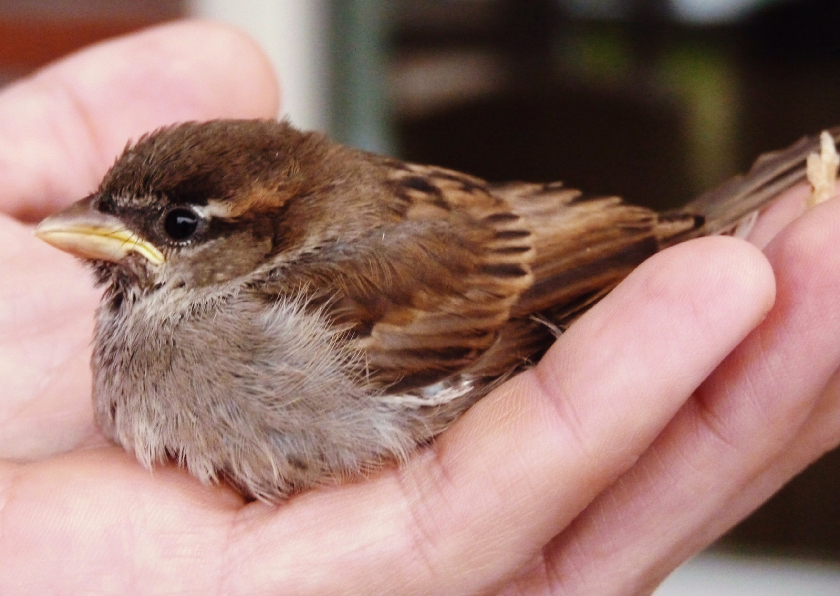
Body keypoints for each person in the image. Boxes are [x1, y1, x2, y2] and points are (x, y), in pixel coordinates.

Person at [1, 20, 838, 596]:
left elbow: (527, 283)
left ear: (269, 234)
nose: (99, 237)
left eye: (180, 229)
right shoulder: (171, 316)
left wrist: (668, 242)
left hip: (559, 267)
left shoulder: (309, 304)